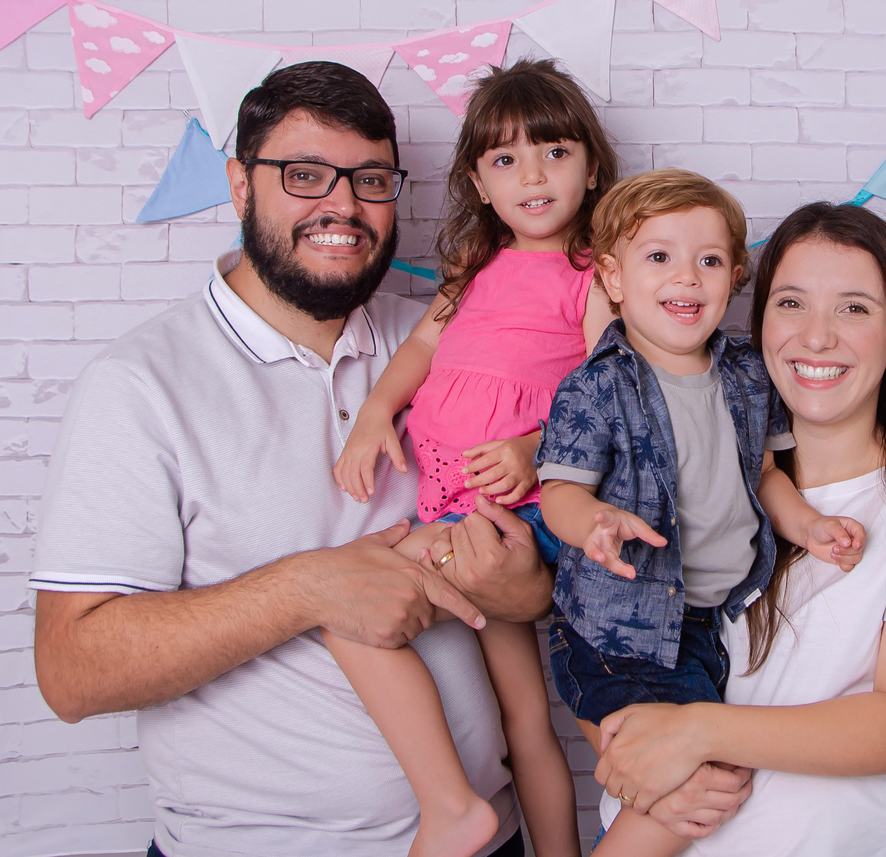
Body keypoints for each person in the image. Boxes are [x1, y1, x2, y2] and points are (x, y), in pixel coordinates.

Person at [29, 61, 557, 857]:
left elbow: (558, 504)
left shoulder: (453, 338)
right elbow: (73, 671)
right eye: (305, 175)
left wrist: (528, 590)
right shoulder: (141, 384)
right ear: (241, 186)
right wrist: (307, 589)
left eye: (370, 179)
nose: (342, 205)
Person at [589, 201, 886, 856]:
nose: (816, 337)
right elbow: (602, 637)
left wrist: (698, 733)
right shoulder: (699, 468)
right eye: (791, 304)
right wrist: (655, 773)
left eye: (854, 308)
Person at [329, 58, 617, 857]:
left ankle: (451, 806)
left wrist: (537, 450)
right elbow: (423, 348)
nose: (534, 175)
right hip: (456, 506)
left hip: (513, 511)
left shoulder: (593, 277)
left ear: (592, 167)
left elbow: (608, 394)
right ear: (479, 184)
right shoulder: (472, 271)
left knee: (348, 609)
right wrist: (376, 413)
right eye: (506, 159)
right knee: (522, 717)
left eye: (555, 152)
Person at [533, 171, 867, 857]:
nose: (686, 276)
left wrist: (807, 525)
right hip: (620, 631)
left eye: (708, 260)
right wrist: (593, 523)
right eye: (659, 256)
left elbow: (764, 475)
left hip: (712, 622)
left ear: (735, 277)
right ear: (613, 277)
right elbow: (559, 492)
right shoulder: (596, 386)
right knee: (699, 780)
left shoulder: (747, 374)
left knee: (680, 779)